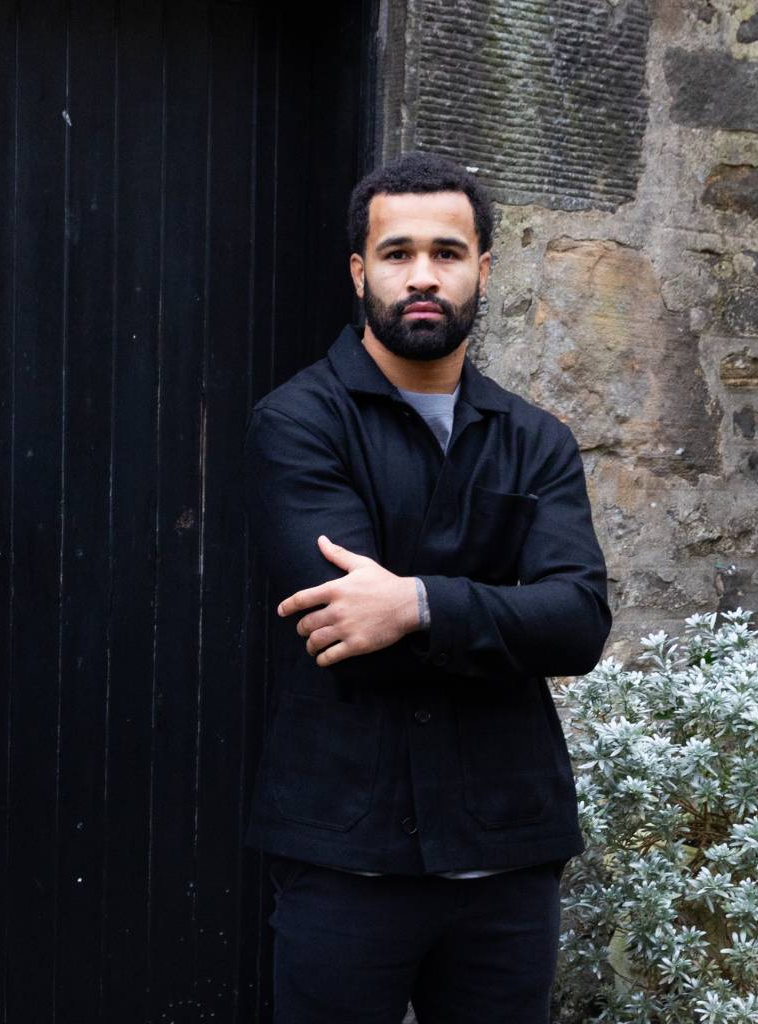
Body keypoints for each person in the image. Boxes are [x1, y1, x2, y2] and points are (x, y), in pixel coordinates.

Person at [243, 151, 612, 1024]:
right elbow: (347, 634)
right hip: (347, 846)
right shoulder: (298, 421)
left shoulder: (535, 439)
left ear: (482, 270)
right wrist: (504, 613)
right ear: (358, 271)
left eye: (446, 253)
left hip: (507, 847)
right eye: (397, 252)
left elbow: (577, 623)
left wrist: (414, 603)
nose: (422, 276)